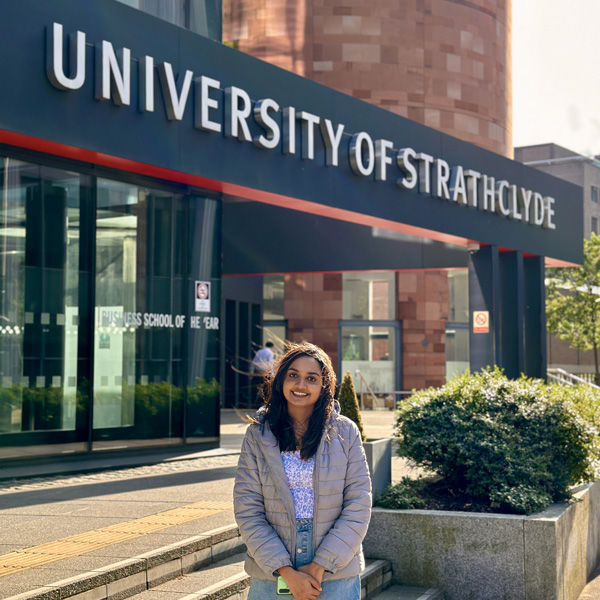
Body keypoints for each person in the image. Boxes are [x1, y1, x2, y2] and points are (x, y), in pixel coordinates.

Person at [233, 342, 372, 600]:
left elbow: (359, 505)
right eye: (293, 375)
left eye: (311, 378)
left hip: (336, 566)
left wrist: (319, 565)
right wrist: (286, 571)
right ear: (281, 380)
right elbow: (248, 509)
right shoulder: (258, 434)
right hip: (272, 566)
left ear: (324, 386)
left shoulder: (346, 432)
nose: (300, 385)